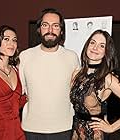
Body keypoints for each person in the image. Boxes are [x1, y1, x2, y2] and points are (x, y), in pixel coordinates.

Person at [19, 8, 80, 140]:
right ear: (39, 29)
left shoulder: (72, 57)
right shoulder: (24, 56)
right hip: (31, 128)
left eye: (55, 26)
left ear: (61, 31)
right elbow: (21, 91)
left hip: (64, 128)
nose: (50, 30)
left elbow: (77, 92)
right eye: (45, 25)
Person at [70, 29, 120, 140]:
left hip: (94, 136)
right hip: (75, 133)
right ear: (87, 45)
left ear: (107, 52)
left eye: (101, 46)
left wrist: (112, 127)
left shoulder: (108, 78)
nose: (95, 48)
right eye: (92, 42)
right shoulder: (77, 74)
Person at [0, 25, 26, 140]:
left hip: (17, 131)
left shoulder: (16, 70)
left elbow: (15, 103)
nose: (11, 44)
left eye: (14, 40)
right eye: (6, 39)